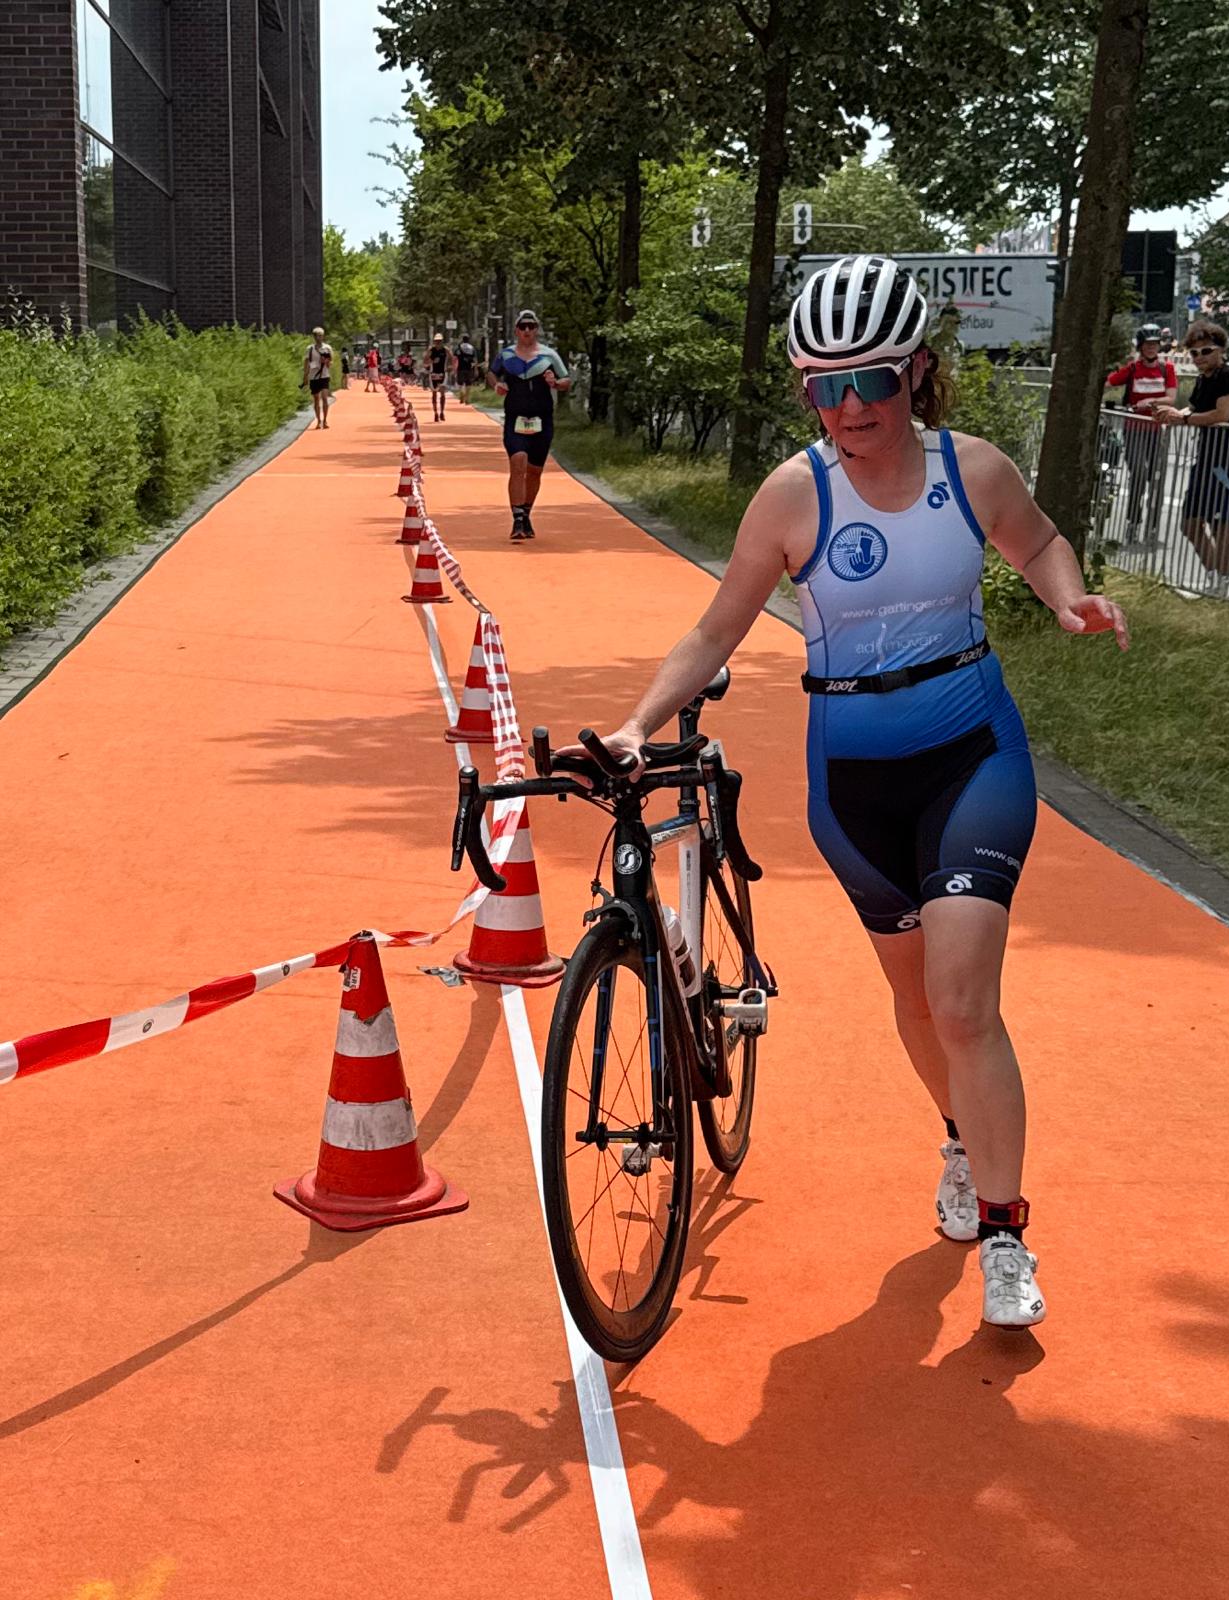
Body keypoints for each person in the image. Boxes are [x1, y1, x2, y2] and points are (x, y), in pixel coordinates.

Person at [573, 255, 1130, 1329]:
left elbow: (1038, 541)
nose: (849, 407)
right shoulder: (795, 495)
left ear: (916, 371)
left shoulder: (972, 470)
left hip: (971, 753)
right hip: (851, 779)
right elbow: (717, 628)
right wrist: (637, 723)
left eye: (871, 380)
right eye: (823, 387)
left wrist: (1068, 599)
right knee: (916, 1002)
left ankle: (1006, 1232)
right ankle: (961, 1142)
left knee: (963, 1001)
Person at [1152, 320, 1229, 597]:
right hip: (1207, 457)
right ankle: (1213, 577)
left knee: (1221, 523)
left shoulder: (1228, 375)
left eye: (1206, 351)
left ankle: (1222, 583)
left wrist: (1183, 419)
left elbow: (1222, 414)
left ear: (1221, 350)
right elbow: (1194, 408)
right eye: (1194, 353)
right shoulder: (1204, 378)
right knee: (1190, 523)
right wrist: (1173, 414)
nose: (1199, 357)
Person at [489, 311, 572, 541]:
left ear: (536, 329)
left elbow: (566, 380)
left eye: (531, 326)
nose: (527, 330)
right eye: (523, 326)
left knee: (534, 471)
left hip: (542, 419)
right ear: (516, 330)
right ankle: (517, 519)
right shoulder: (506, 355)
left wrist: (555, 383)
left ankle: (526, 514)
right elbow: (491, 373)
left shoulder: (549, 355)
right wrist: (497, 385)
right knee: (518, 462)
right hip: (515, 418)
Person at [1105, 324, 1178, 546]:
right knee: (1138, 472)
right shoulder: (1132, 369)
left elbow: (1171, 397)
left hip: (1157, 431)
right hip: (1134, 429)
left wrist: (1151, 402)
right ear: (1140, 347)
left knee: (1156, 478)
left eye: (1155, 344)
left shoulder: (1167, 369)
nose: (1151, 348)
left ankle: (1152, 527)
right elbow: (1109, 382)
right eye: (1147, 345)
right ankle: (1133, 522)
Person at [301, 326, 334, 430]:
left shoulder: (327, 348)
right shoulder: (310, 349)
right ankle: (318, 421)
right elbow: (306, 363)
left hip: (324, 375)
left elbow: (330, 363)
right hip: (314, 376)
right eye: (317, 336)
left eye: (321, 335)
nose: (319, 338)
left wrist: (326, 361)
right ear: (314, 337)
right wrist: (305, 376)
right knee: (316, 399)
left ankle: (325, 420)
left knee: (324, 397)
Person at [425, 331, 451, 422]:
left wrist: (451, 367)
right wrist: (432, 362)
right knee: (434, 393)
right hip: (433, 373)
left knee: (442, 393)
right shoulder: (431, 350)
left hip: (443, 373)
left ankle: (442, 412)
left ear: (442, 341)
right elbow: (425, 361)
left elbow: (452, 358)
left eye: (440, 341)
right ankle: (435, 413)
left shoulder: (446, 350)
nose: (438, 342)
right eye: (436, 341)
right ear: (434, 341)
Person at [455, 335, 477, 406]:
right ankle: (467, 398)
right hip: (469, 368)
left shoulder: (459, 348)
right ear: (468, 340)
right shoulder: (472, 348)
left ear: (462, 339)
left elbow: (455, 358)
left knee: (460, 383)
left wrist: (454, 367)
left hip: (460, 368)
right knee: (468, 383)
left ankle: (462, 393)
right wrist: (475, 368)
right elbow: (474, 359)